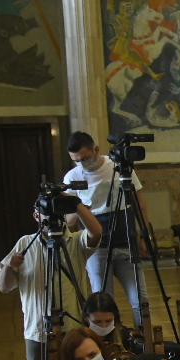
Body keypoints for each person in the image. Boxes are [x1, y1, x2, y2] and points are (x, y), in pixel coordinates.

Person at [0, 201, 103, 360]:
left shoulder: (75, 241)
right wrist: (9, 266)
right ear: (36, 216)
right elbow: (3, 286)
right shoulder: (25, 244)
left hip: (73, 329)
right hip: (38, 332)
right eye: (47, 215)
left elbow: (97, 231)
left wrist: (75, 203)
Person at [63, 132, 151, 325]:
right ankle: (111, 341)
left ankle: (146, 340)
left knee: (140, 299)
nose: (82, 164)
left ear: (96, 150)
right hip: (96, 249)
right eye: (76, 161)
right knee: (103, 302)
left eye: (85, 158)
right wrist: (79, 208)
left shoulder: (119, 167)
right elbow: (68, 222)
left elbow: (139, 204)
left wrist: (144, 237)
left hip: (126, 241)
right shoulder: (73, 177)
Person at [83, 291, 142, 360]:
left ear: (115, 318)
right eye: (97, 322)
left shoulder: (125, 336)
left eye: (108, 321)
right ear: (86, 318)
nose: (103, 326)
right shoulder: (79, 340)